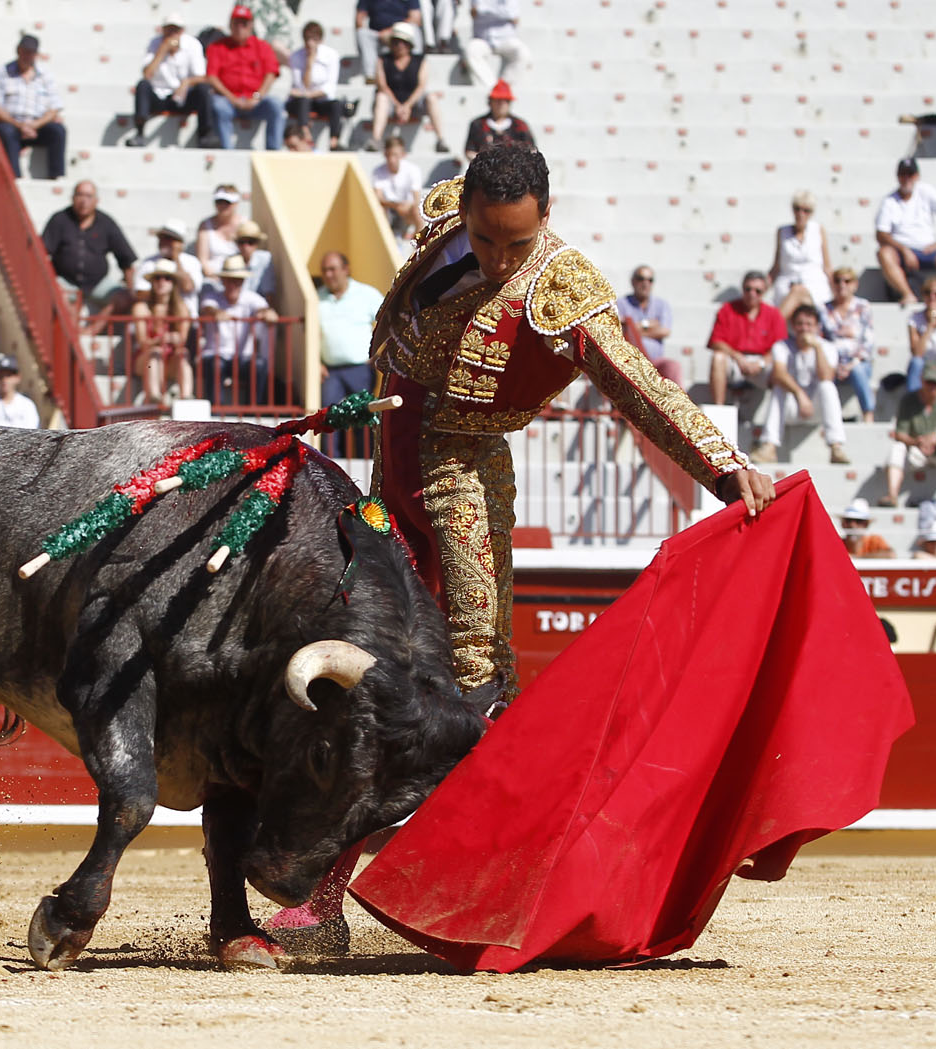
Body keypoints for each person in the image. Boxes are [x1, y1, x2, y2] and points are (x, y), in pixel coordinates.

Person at [264, 146, 774, 948]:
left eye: (518, 243)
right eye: (487, 239)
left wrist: (723, 465)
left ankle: (500, 889)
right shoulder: (443, 218)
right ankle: (326, 895)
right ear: (464, 209)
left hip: (463, 484)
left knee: (471, 685)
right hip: (391, 472)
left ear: (547, 216)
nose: (502, 259)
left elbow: (639, 383)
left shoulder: (561, 289)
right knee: (364, 666)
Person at [756, 305, 850, 465]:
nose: (804, 328)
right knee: (779, 389)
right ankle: (769, 446)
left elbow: (827, 376)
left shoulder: (827, 347)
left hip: (817, 409)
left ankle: (836, 446)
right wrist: (800, 394)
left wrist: (817, 348)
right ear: (793, 326)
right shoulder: (782, 346)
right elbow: (778, 374)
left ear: (817, 326)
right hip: (792, 407)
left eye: (809, 324)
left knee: (827, 387)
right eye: (800, 324)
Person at [881, 357, 936, 506]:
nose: (932, 387)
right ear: (921, 380)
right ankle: (892, 495)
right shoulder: (909, 399)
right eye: (929, 382)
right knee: (897, 448)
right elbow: (900, 433)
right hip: (917, 451)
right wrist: (916, 442)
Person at [317, 252, 383, 455]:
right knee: (330, 415)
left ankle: (366, 462)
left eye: (333, 269)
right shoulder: (316, 297)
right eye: (325, 270)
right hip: (330, 370)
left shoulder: (366, 294)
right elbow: (309, 334)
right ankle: (330, 462)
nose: (328, 275)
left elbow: (388, 321)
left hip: (361, 368)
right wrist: (315, 362)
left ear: (345, 269)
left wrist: (379, 353)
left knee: (363, 414)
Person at [874, 158, 936, 307]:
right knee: (884, 253)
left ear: (917, 176)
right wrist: (904, 250)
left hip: (927, 250)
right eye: (903, 174)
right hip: (901, 252)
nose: (907, 178)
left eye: (910, 174)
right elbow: (881, 234)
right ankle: (907, 294)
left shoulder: (925, 191)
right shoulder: (889, 201)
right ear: (898, 177)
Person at [42, 181, 138, 312]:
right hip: (65, 281)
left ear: (97, 200)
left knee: (124, 298)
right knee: (59, 295)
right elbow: (42, 252)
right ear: (72, 198)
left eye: (88, 196)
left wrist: (131, 291)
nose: (84, 201)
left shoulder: (106, 223)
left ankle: (95, 325)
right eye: (80, 195)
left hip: (98, 283)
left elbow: (126, 259)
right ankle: (71, 325)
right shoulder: (59, 219)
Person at [198, 254, 277, 406]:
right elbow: (208, 308)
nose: (233, 285)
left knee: (259, 365)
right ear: (223, 281)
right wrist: (217, 313)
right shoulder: (211, 297)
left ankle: (252, 412)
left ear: (243, 281)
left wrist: (267, 313)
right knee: (216, 364)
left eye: (237, 281)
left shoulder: (251, 298)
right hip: (216, 356)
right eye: (229, 280)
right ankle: (216, 412)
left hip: (242, 359)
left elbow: (263, 309)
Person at [204, 6, 286, 151]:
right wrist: (232, 99)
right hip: (228, 100)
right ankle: (227, 151)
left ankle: (273, 151)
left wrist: (257, 97)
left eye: (244, 23)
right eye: (237, 23)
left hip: (255, 100)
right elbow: (212, 77)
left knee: (275, 105)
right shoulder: (217, 47)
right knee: (218, 106)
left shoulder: (262, 46)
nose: (240, 27)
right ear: (230, 24)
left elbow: (271, 73)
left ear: (251, 25)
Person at [130, 13, 214, 148]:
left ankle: (205, 135)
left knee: (203, 89)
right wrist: (162, 51)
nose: (172, 33)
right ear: (163, 30)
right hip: (160, 96)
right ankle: (139, 133)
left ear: (182, 31)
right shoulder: (155, 43)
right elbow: (147, 74)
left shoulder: (192, 44)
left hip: (185, 96)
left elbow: (202, 76)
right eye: (169, 29)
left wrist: (186, 83)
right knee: (142, 85)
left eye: (176, 30)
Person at [0, 35, 66, 179]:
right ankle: (14, 178)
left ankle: (57, 176)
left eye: (31, 52)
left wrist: (35, 125)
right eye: (25, 51)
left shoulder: (45, 75)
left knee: (58, 131)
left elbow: (54, 107)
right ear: (18, 51)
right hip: (11, 124)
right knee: (7, 132)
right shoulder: (2, 72)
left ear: (36, 54)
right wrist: (19, 125)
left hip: (37, 125)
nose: (27, 56)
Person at [707, 270, 787, 406]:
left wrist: (761, 363)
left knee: (781, 367)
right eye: (748, 289)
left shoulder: (774, 314)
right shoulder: (727, 309)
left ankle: (779, 411)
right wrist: (737, 357)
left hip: (763, 363)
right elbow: (716, 341)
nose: (752, 294)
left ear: (764, 292)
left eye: (757, 291)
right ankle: (719, 408)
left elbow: (780, 347)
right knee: (718, 357)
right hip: (734, 360)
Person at [368, 23, 450, 154]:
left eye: (403, 42)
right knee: (381, 97)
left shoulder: (420, 60)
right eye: (396, 42)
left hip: (414, 103)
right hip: (391, 103)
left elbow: (421, 86)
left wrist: (406, 106)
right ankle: (376, 139)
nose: (399, 45)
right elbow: (382, 86)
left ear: (409, 44)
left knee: (432, 98)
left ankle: (441, 139)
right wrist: (398, 105)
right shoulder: (383, 60)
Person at [130, 259, 194, 406]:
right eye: (157, 278)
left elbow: (183, 341)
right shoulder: (141, 308)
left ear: (173, 283)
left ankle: (186, 397)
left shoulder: (182, 308)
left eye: (167, 278)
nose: (162, 282)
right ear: (152, 282)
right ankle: (154, 397)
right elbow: (142, 343)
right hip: (146, 361)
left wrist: (175, 339)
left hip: (169, 361)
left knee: (183, 353)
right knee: (155, 352)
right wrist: (159, 340)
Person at [819, 267, 876, 423]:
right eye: (838, 281)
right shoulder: (824, 309)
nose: (842, 285)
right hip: (832, 362)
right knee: (823, 377)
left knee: (858, 371)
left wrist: (851, 365)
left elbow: (868, 341)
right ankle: (827, 418)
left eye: (847, 281)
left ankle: (868, 415)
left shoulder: (863, 307)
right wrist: (834, 365)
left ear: (855, 284)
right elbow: (821, 339)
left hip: (857, 361)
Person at [768, 190, 833, 321]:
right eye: (797, 209)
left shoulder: (818, 230)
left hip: (815, 286)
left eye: (806, 210)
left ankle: (772, 328)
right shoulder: (782, 232)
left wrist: (837, 290)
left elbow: (827, 266)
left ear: (811, 213)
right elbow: (776, 267)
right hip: (786, 285)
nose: (800, 214)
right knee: (796, 292)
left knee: (798, 292)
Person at [615, 265, 681, 386]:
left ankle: (680, 399)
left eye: (650, 280)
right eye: (641, 279)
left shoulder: (662, 304)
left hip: (655, 362)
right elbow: (619, 332)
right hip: (629, 362)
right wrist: (650, 325)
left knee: (673, 366)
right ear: (633, 281)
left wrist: (633, 328)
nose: (645, 283)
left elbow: (665, 331)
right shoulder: (621, 303)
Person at [286, 21, 347, 151]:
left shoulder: (331, 55)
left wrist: (307, 94)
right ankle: (305, 134)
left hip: (321, 100)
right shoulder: (296, 56)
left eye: (314, 39)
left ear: (320, 40)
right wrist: (309, 63)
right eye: (307, 39)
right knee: (304, 101)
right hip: (302, 102)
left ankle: (334, 141)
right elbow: (301, 86)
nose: (310, 43)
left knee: (336, 105)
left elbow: (329, 88)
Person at [130, 219, 204, 317]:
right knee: (139, 308)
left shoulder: (192, 262)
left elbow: (188, 287)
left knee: (182, 309)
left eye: (170, 239)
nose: (163, 242)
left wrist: (176, 258)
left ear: (180, 243)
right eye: (161, 237)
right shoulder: (148, 262)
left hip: (183, 320)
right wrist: (161, 293)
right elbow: (139, 293)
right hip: (154, 319)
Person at [461, 0, 530, 92]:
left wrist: (484, 10)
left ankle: (504, 89)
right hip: (482, 39)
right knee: (471, 50)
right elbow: (474, 13)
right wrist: (502, 12)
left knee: (523, 53)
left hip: (506, 39)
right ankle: (493, 89)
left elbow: (513, 14)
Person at [463, 80, 535, 162]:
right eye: (498, 100)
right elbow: (469, 151)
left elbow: (532, 151)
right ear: (490, 102)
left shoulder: (520, 125)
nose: (501, 104)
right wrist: (487, 162)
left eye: (505, 100)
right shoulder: (478, 124)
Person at [371, 134, 425, 238]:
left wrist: (406, 206)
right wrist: (397, 206)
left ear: (402, 155)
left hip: (407, 210)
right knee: (379, 209)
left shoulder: (413, 170)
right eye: (389, 155)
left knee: (417, 211)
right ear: (385, 154)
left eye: (395, 155)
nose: (392, 159)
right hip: (389, 209)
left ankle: (418, 242)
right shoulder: (378, 171)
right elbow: (378, 198)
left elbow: (416, 199)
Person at [355, 0, 423, 82]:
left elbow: (415, 19)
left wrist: (391, 31)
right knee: (362, 33)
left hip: (401, 33)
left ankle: (415, 70)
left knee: (414, 29)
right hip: (377, 35)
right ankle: (371, 75)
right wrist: (381, 34)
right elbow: (359, 19)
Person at [0, 356, 41, 428]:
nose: (4, 380)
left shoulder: (27, 405)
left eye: (8, 376)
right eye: (1, 376)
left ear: (17, 378)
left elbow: (32, 430)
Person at [196, 184, 243, 281]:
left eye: (227, 202)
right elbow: (202, 260)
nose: (222, 206)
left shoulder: (244, 224)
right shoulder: (204, 226)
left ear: (236, 203)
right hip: (212, 280)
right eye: (219, 201)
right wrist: (217, 279)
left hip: (239, 279)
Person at [232, 220, 277, 305]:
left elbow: (269, 294)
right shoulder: (231, 261)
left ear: (257, 243)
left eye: (251, 241)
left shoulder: (265, 259)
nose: (246, 246)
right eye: (241, 242)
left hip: (259, 309)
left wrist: (265, 310)